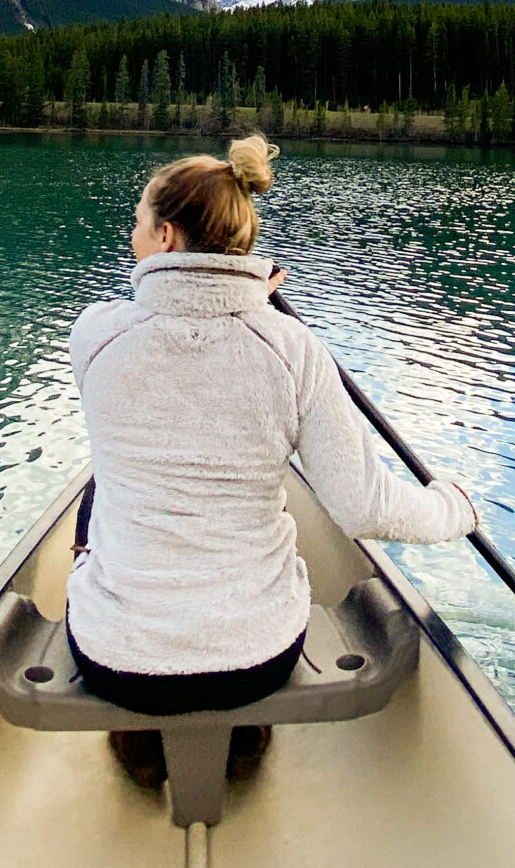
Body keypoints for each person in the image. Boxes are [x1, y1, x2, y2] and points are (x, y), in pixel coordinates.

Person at [66, 133, 477, 780]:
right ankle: (247, 732)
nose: (133, 235)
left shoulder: (93, 335)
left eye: (140, 222)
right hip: (254, 658)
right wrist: (454, 510)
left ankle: (138, 738)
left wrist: (238, 297)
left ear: (167, 237)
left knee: (100, 491)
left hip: (117, 659)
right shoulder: (294, 349)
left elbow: (165, 326)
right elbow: (364, 507)